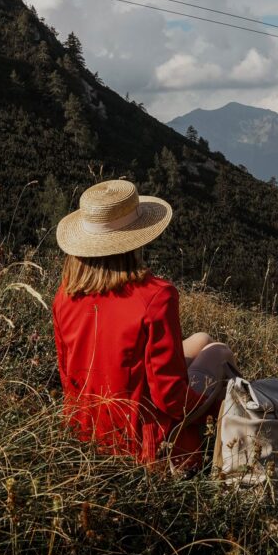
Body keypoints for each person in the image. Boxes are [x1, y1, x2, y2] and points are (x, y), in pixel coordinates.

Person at [52, 179, 237, 469]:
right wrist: (215, 407)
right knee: (219, 352)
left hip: (87, 435)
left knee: (201, 338)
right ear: (135, 238)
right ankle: (234, 450)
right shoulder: (156, 296)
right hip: (145, 447)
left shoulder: (65, 294)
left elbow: (69, 380)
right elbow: (170, 397)